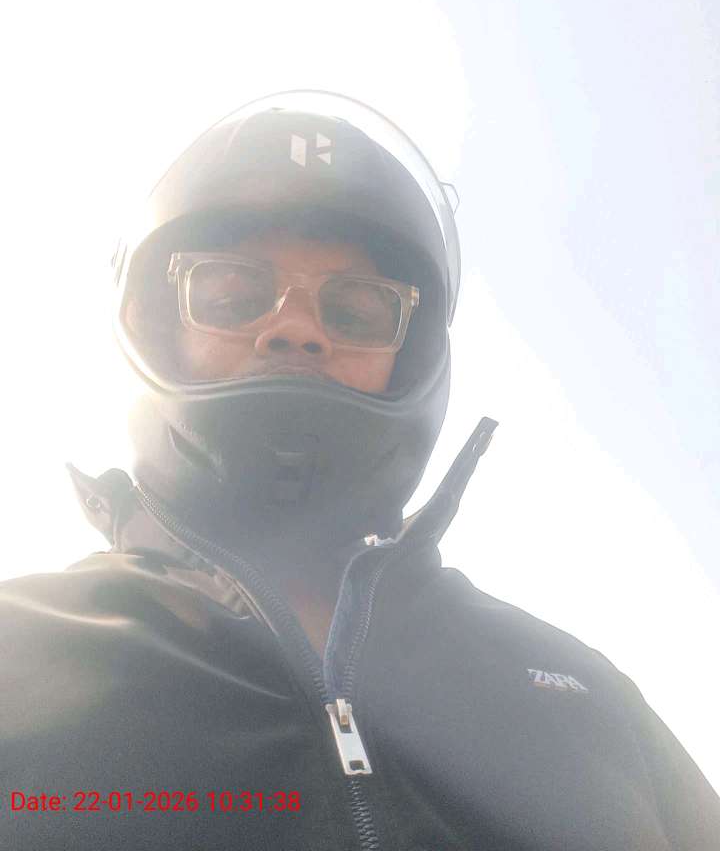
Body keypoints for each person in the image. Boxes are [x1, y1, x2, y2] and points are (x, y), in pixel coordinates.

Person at [0, 91, 717, 851]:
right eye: (232, 294)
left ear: (411, 356)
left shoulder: (585, 695)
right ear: (154, 323)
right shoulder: (21, 648)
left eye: (358, 311)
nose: (294, 328)